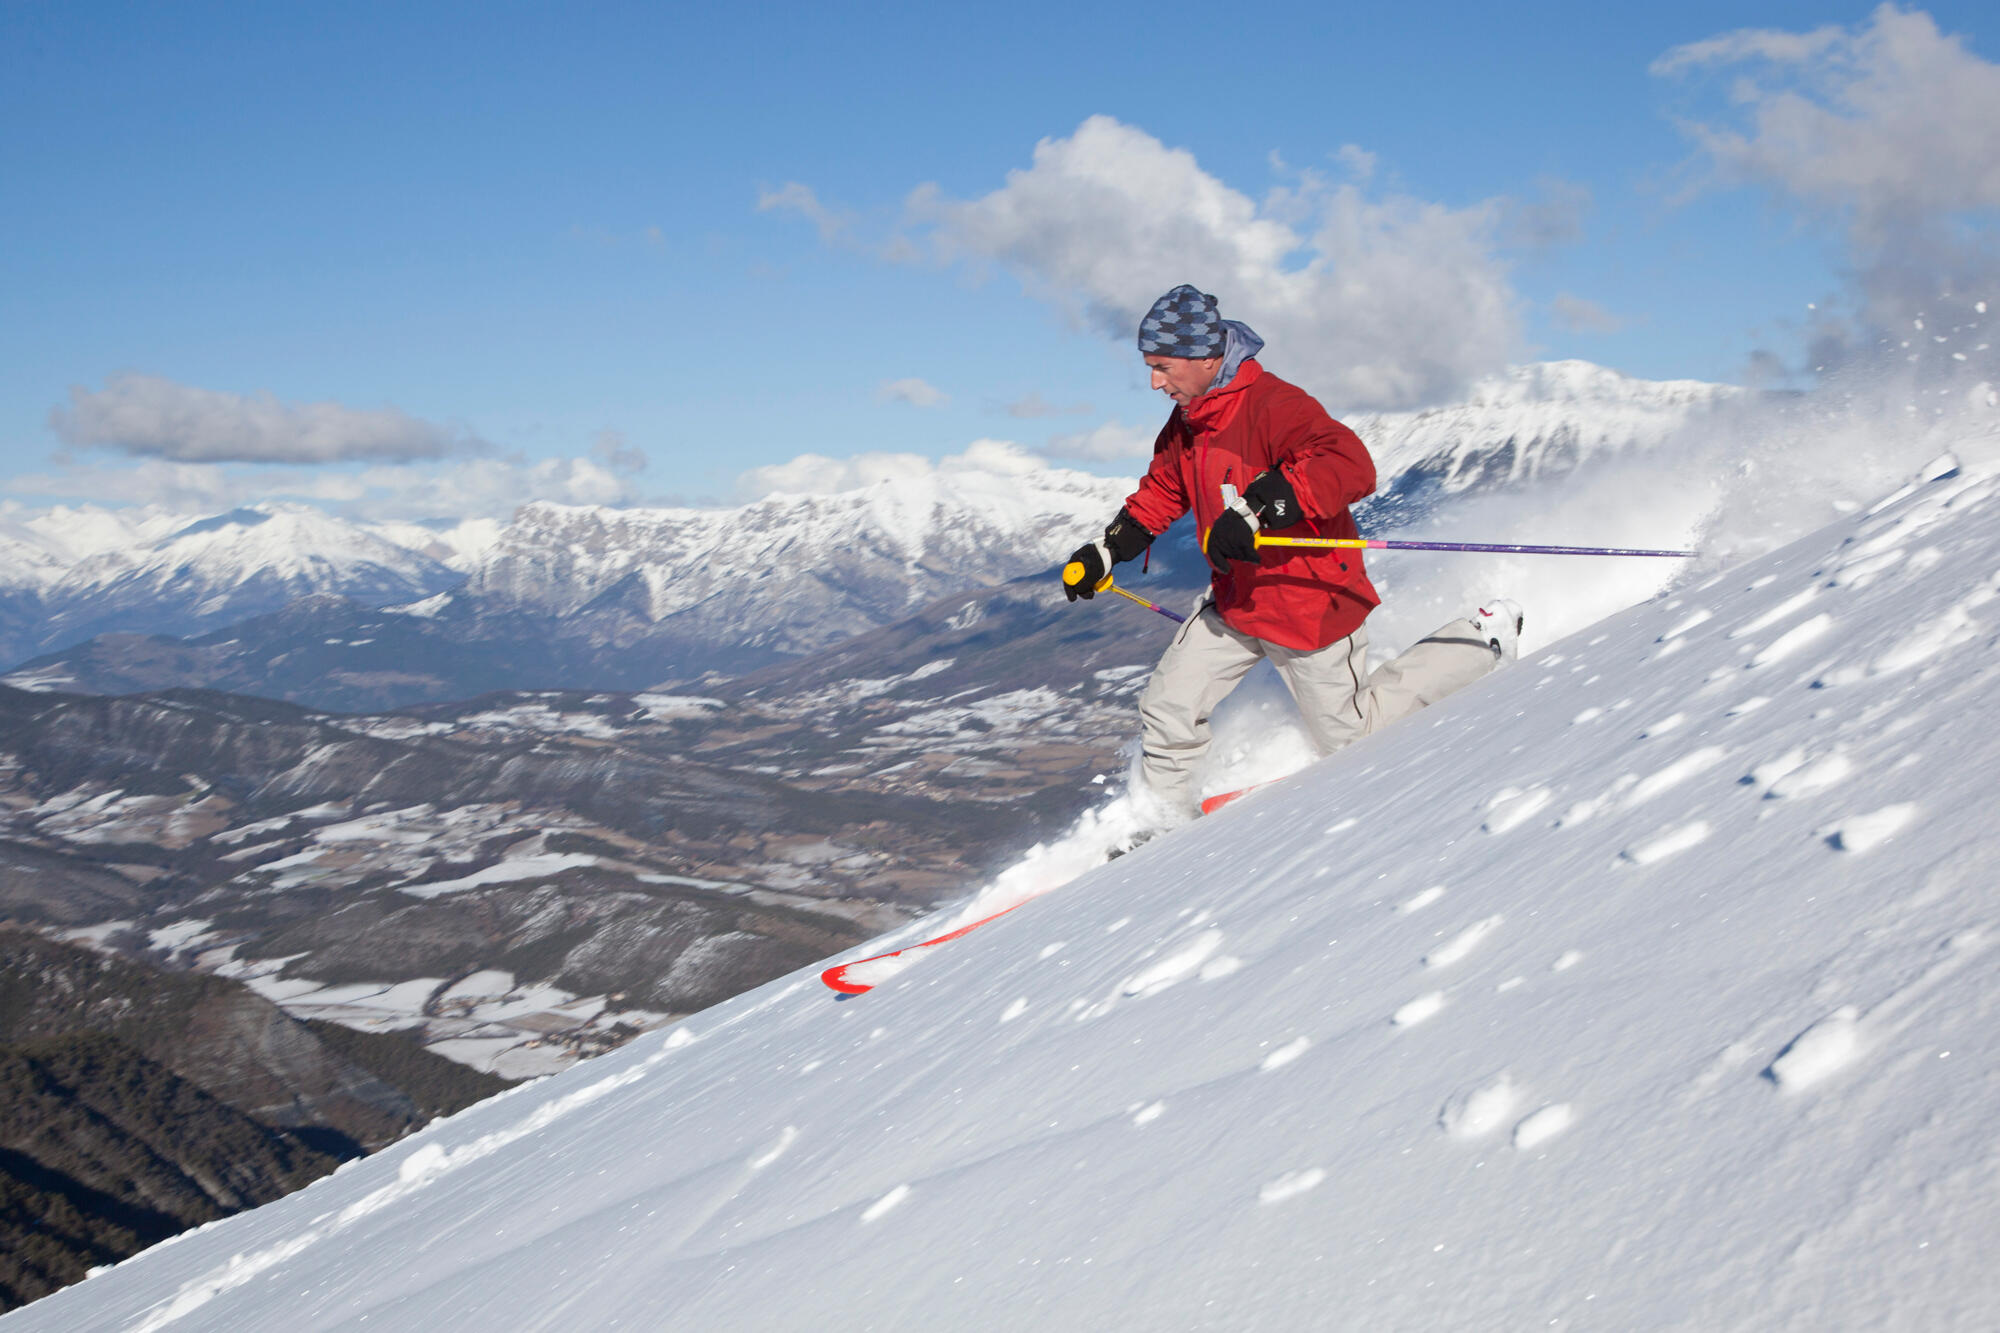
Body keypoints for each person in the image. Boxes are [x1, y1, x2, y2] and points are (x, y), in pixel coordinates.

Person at [1062, 284, 1522, 820]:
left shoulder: (1274, 405)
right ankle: (1161, 821)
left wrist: (1259, 507)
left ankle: (1479, 640)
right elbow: (1165, 489)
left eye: (1163, 367)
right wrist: (1107, 549)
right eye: (1150, 367)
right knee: (1168, 706)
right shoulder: (1188, 422)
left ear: (1205, 357)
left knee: (1351, 737)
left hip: (1308, 600)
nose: (1154, 382)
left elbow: (1349, 464)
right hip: (1237, 598)